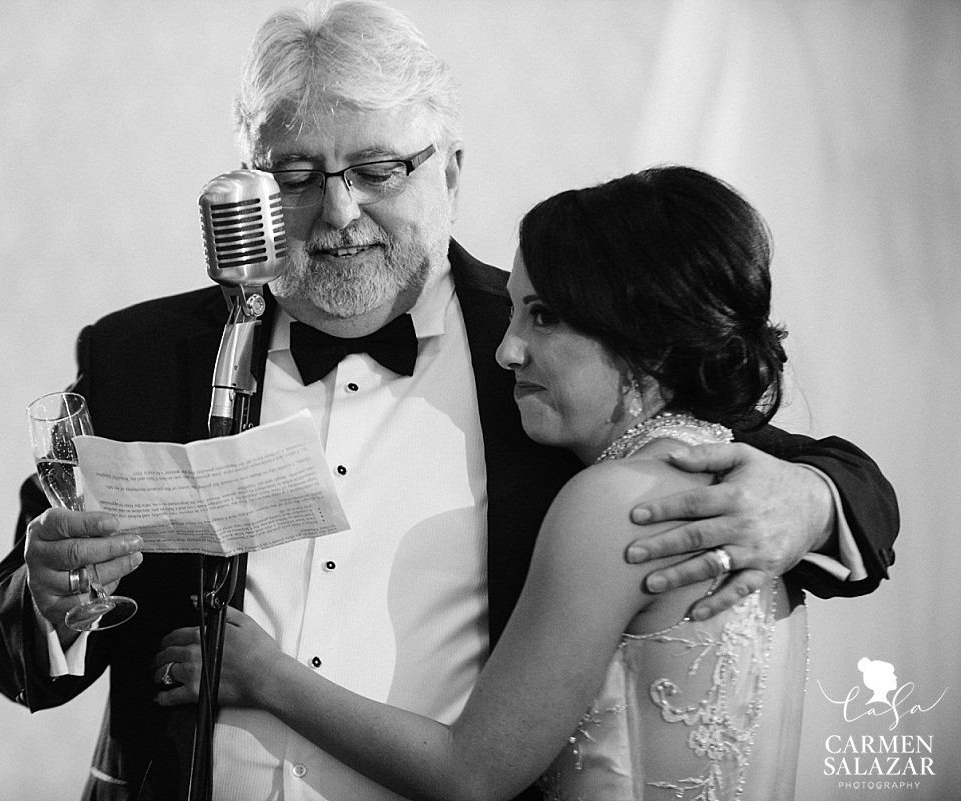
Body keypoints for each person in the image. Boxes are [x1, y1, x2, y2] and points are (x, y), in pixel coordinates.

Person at [0, 2, 897, 799]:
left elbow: (812, 465)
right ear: (249, 184)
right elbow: (8, 632)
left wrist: (811, 498)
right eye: (296, 174)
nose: (336, 213)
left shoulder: (550, 352)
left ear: (449, 172)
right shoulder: (142, 358)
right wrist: (48, 600)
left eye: (377, 170)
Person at [155, 165, 821, 800]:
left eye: (544, 316)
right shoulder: (751, 490)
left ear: (642, 333)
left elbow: (470, 775)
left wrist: (266, 675)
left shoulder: (615, 504)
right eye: (512, 313)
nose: (509, 349)